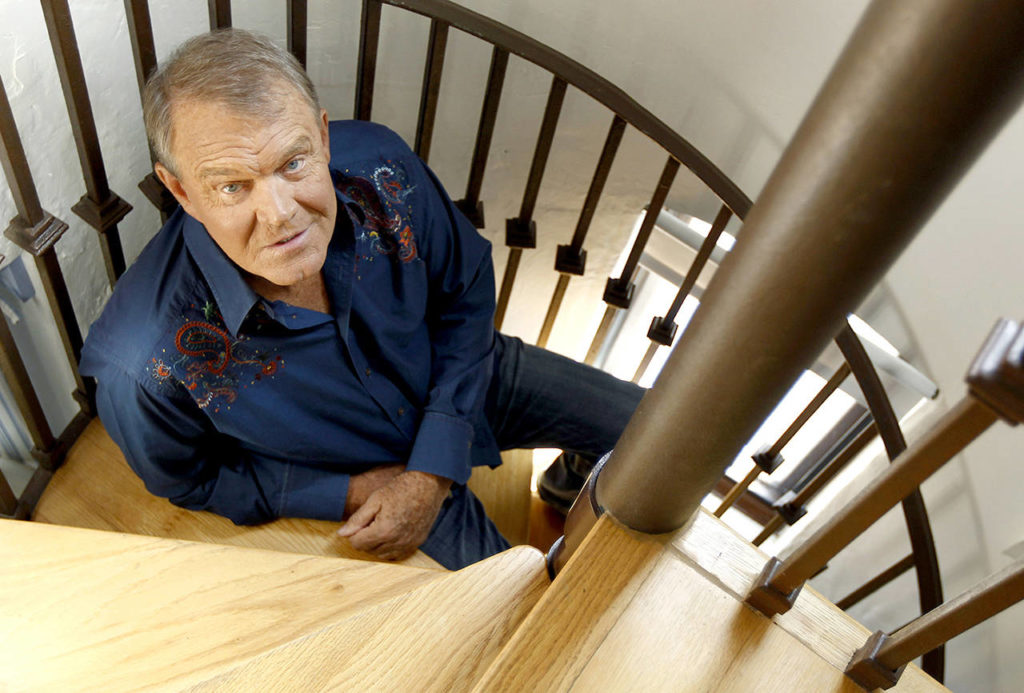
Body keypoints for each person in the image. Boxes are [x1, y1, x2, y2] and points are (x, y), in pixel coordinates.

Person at [80, 29, 642, 570]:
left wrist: (431, 469)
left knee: (655, 430)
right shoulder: (143, 365)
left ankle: (572, 478)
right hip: (365, 465)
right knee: (524, 620)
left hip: (464, 374)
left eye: (294, 163)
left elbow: (465, 288)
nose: (280, 214)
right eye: (232, 186)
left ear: (323, 138)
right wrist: (341, 492)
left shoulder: (381, 167)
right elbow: (191, 478)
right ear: (181, 191)